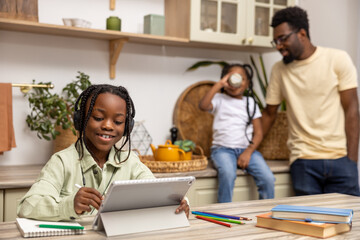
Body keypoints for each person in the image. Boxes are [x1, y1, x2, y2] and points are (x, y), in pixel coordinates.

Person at [17, 84, 189, 221]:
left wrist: (178, 202)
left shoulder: (131, 161)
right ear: (80, 120)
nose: (108, 125)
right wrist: (70, 205)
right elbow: (27, 206)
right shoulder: (62, 161)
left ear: (127, 126)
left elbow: (155, 193)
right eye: (98, 118)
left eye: (118, 121)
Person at [262, 6, 360, 196]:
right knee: (309, 223)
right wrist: (247, 148)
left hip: (340, 159)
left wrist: (352, 160)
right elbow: (269, 113)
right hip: (303, 161)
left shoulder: (337, 59)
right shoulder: (279, 70)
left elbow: (352, 110)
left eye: (283, 39)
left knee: (350, 223)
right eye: (275, 41)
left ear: (302, 33)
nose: (279, 46)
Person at [199, 63, 275, 203]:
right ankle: (224, 211)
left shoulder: (251, 102)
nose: (236, 81)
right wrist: (219, 85)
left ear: (247, 83)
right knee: (228, 173)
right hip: (222, 150)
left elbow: (258, 133)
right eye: (232, 77)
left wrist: (248, 152)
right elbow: (203, 105)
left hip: (247, 150)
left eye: (241, 78)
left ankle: (265, 210)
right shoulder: (219, 99)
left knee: (268, 177)